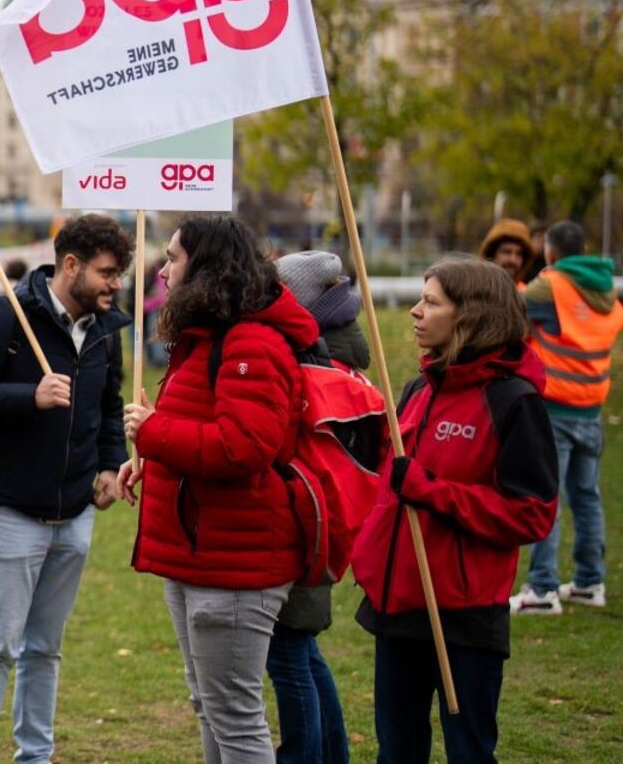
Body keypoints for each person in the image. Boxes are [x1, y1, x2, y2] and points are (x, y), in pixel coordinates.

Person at [120, 214, 315, 764]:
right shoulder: (207, 339)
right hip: (199, 556)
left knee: (234, 714)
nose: (161, 271)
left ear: (205, 266)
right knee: (211, 705)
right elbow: (205, 431)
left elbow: (244, 447)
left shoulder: (250, 342)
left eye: (173, 258)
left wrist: (154, 432)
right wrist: (153, 462)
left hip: (234, 563)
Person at [0, 214, 133, 764]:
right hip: (10, 509)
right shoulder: (6, 316)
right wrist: (30, 396)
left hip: (75, 513)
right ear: (69, 265)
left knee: (45, 649)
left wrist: (108, 464)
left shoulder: (103, 328)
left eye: (118, 273)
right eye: (106, 272)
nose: (114, 283)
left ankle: (35, 755)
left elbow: (108, 407)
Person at [352, 258, 558, 764]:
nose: (416, 312)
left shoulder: (514, 401)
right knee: (397, 750)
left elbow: (531, 513)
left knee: (468, 750)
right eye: (419, 299)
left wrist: (431, 490)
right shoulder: (419, 389)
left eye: (432, 302)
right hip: (399, 606)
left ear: (471, 315)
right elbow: (390, 483)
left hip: (463, 616)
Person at [267, 251, 371, 764]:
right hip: (326, 517)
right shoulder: (341, 354)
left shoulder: (317, 363)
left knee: (288, 653)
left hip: (309, 518)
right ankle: (333, 754)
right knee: (303, 651)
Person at [512, 220, 623, 614]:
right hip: (591, 409)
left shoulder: (552, 285)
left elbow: (510, 308)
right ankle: (590, 582)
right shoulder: (604, 288)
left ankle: (542, 588)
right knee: (586, 496)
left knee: (547, 497)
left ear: (551, 251)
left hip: (554, 408)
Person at [477, 219, 535, 288]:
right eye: (507, 252)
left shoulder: (526, 294)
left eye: (519, 254)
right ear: (491, 255)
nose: (513, 260)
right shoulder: (475, 290)